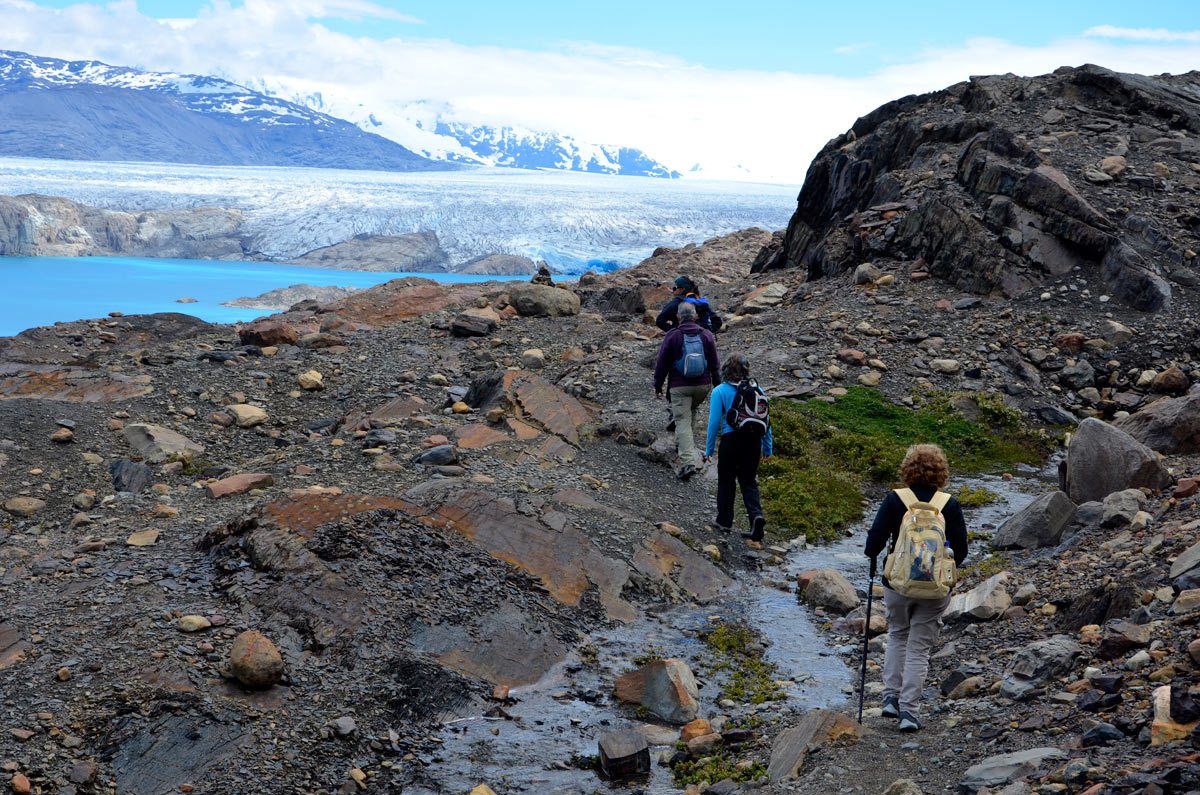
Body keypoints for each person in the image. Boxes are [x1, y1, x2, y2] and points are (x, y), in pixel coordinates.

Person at [863, 443, 968, 732]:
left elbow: (872, 544)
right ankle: (909, 713)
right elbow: (961, 551)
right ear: (941, 473)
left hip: (897, 584)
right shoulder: (949, 504)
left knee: (897, 634)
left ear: (908, 469)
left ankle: (889, 698)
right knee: (919, 648)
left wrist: (878, 557)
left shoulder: (895, 499)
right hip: (934, 588)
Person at [703, 354, 772, 540]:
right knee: (749, 481)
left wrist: (709, 449)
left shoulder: (719, 391)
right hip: (754, 442)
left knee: (726, 480)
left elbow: (714, 421)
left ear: (725, 370)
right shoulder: (758, 389)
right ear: (746, 370)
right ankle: (756, 517)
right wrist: (768, 447)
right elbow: (767, 421)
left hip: (731, 440)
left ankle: (724, 522)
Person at [653, 302, 720, 480]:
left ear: (678, 317)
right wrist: (718, 387)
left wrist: (658, 386)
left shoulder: (673, 335)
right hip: (702, 386)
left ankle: (687, 463)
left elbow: (662, 365)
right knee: (691, 411)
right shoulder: (706, 335)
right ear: (696, 317)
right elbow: (715, 365)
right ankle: (683, 446)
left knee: (682, 420)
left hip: (679, 386)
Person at [656, 275, 722, 334]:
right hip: (701, 338)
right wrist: (707, 331)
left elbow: (659, 321)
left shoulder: (677, 302)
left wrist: (674, 331)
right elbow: (718, 321)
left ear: (682, 289)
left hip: (681, 339)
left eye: (675, 287)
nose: (673, 289)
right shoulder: (701, 302)